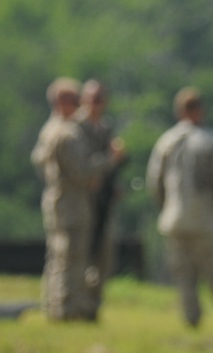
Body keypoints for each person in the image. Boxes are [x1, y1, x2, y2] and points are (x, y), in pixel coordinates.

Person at [146, 87, 213, 329]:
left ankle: (191, 321)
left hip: (174, 220)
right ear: (201, 110)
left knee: (184, 276)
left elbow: (153, 183)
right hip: (205, 219)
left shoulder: (166, 142)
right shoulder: (212, 141)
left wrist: (166, 207)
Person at [31, 77, 125, 322]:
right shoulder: (66, 133)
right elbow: (80, 172)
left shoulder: (66, 129)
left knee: (66, 257)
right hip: (70, 202)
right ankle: (65, 310)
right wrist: (107, 161)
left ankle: (63, 308)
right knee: (69, 257)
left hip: (76, 201)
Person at [76, 79, 125, 319]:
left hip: (103, 202)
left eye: (100, 99)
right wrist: (110, 159)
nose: (96, 104)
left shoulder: (106, 129)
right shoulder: (76, 129)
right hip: (81, 202)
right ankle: (80, 305)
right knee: (81, 255)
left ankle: (93, 307)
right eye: (92, 99)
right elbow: (83, 167)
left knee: (104, 257)